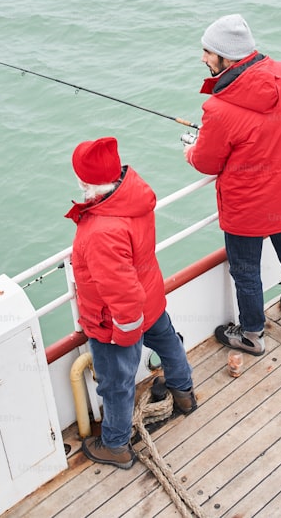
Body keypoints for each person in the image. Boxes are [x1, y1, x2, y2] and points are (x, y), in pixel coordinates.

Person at [183, 14, 281, 357]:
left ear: (227, 58)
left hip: (246, 208)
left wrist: (191, 150)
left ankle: (253, 334)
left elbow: (206, 162)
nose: (203, 58)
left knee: (246, 271)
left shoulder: (218, 108)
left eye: (208, 52)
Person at [65, 136, 196, 470]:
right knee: (168, 343)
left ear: (85, 181)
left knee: (116, 383)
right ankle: (184, 394)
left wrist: (125, 336)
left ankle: (116, 445)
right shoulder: (132, 197)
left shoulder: (99, 232)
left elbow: (120, 293)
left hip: (116, 321)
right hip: (149, 297)